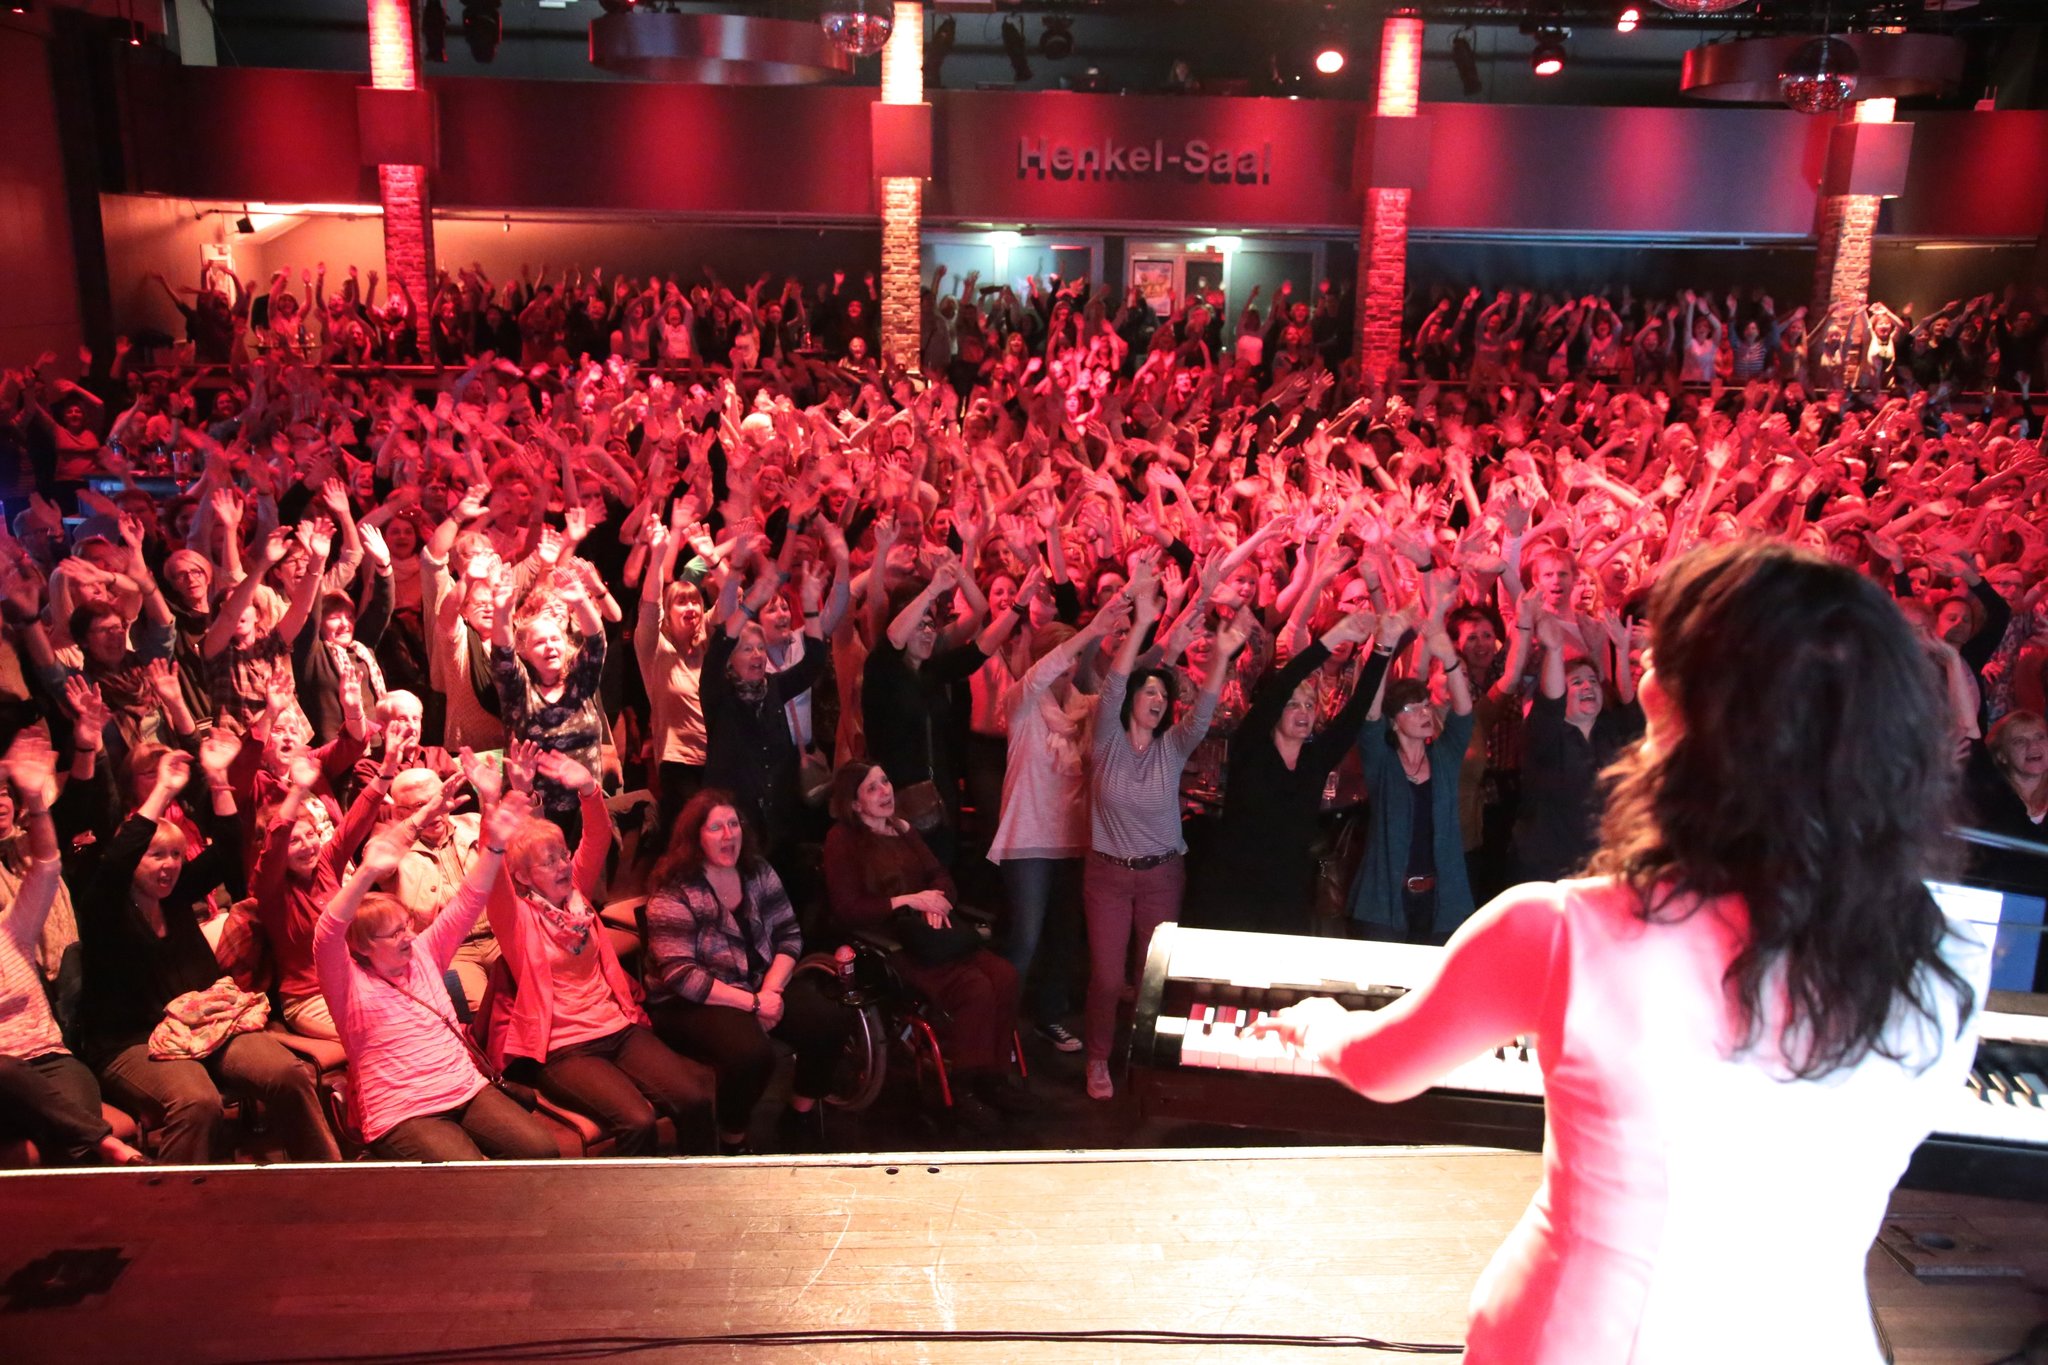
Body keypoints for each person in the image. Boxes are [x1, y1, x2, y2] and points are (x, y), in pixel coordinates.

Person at [1252, 540, 1984, 1363]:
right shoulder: (1946, 953)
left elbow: (1383, 1065)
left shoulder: (1564, 929)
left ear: (1670, 711)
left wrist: (1316, 1024)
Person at [479, 748, 718, 1155]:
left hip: (617, 1027)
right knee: (636, 1122)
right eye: (547, 861)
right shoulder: (515, 919)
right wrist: (494, 804)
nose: (562, 866)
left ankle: (702, 1196)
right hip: (563, 1048)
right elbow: (492, 874)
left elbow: (598, 837)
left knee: (695, 1099)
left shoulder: (578, 901)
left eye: (562, 855)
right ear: (522, 876)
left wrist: (589, 789)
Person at [1082, 557, 1253, 1100]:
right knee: (1109, 980)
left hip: (1161, 875)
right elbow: (1110, 685)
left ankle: (1143, 1059)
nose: (1157, 701)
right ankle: (1097, 1060)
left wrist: (1222, 658)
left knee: (1149, 978)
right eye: (1149, 693)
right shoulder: (1106, 740)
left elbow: (1201, 716)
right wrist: (1141, 624)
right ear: (1133, 699)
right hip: (1107, 875)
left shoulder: (1172, 749)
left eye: (1163, 695)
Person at [316, 794, 560, 1161]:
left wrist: (494, 846)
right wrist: (366, 874)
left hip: (465, 1087)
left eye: (407, 926)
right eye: (395, 933)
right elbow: (329, 932)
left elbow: (469, 899)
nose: (410, 937)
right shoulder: (348, 984)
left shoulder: (424, 953)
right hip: (402, 1111)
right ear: (364, 946)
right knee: (470, 1178)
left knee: (542, 1151)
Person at [642, 791, 857, 1153]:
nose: (729, 835)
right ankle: (732, 1139)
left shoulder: (757, 871)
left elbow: (789, 933)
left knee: (830, 1017)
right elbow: (682, 976)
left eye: (733, 824)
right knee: (752, 1054)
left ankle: (799, 1113)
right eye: (716, 828)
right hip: (690, 1001)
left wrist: (771, 991)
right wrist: (754, 1004)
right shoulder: (673, 891)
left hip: (757, 985)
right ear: (695, 837)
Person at [823, 760, 1032, 1132]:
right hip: (889, 943)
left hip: (932, 933)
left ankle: (994, 1077)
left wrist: (936, 899)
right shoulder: (843, 841)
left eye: (885, 782)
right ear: (854, 804)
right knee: (976, 988)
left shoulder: (902, 829)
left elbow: (940, 875)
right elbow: (849, 909)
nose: (885, 791)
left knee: (1004, 975)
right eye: (872, 788)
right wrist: (909, 901)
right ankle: (966, 1087)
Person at [1186, 609, 1387, 935]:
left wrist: (1384, 649)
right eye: (1292, 704)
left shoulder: (1315, 758)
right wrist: (1332, 639)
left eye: (1309, 705)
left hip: (1289, 895)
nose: (1303, 712)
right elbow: (1282, 683)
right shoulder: (1251, 748)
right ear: (1274, 712)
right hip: (1233, 892)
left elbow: (1357, 709)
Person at [0, 732, 145, 1165]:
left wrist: (37, 801)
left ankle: (102, 1223)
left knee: (69, 1130)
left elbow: (46, 866)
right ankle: (104, 1142)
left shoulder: (12, 930)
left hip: (51, 1062)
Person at [1348, 585, 1477, 946]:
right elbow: (1369, 714)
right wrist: (1384, 648)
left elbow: (1464, 713)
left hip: (1441, 903)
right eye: (1411, 708)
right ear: (1394, 721)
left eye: (1425, 706)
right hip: (1385, 902)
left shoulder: (1445, 757)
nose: (1423, 713)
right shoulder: (1383, 763)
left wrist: (1447, 656)